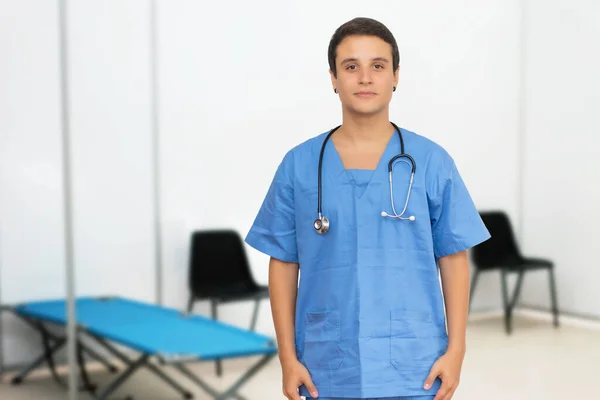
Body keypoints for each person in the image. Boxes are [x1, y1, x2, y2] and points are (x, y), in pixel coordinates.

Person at [244, 17, 490, 400]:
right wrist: (287, 357)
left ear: (395, 76)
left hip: (416, 363)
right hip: (324, 364)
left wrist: (457, 349)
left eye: (377, 65)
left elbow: (454, 258)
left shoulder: (430, 161)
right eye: (351, 66)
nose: (364, 78)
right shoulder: (300, 164)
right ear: (333, 78)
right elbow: (283, 261)